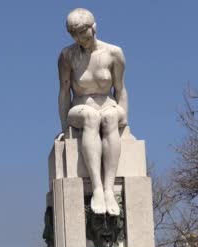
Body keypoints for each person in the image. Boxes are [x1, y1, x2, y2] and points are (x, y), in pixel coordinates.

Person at [58, 8, 128, 216]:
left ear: (93, 28)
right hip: (80, 107)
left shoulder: (114, 53)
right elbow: (64, 92)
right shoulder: (67, 55)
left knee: (109, 117)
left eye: (83, 33)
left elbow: (121, 89)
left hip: (109, 104)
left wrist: (124, 117)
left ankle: (109, 189)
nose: (81, 39)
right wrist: (64, 128)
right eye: (75, 35)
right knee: (91, 116)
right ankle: (97, 188)